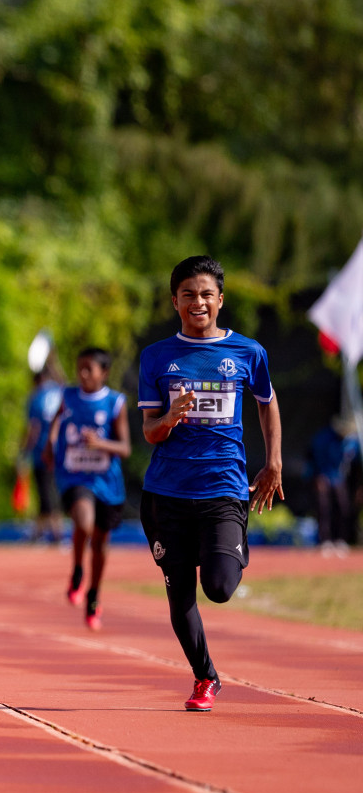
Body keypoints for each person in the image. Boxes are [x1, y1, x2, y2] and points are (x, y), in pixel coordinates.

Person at [138, 256, 283, 712]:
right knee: (179, 592)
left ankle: (225, 545)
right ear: (175, 301)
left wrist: (273, 462)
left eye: (205, 294)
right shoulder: (157, 357)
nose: (197, 302)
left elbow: (266, 403)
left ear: (220, 300)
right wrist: (170, 418)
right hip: (165, 494)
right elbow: (149, 430)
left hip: (222, 490)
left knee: (219, 587)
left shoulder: (247, 353)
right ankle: (205, 678)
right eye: (187, 295)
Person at [47, 348, 130, 630]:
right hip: (75, 477)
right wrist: (51, 442)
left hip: (107, 483)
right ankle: (78, 569)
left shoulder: (115, 403)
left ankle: (94, 595)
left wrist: (100, 444)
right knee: (84, 520)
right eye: (79, 368)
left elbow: (126, 447)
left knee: (100, 543)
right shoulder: (67, 396)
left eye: (89, 369)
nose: (82, 374)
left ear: (103, 373)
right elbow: (56, 423)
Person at [20, 370, 65, 542]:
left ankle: (56, 532)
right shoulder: (60, 392)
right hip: (61, 450)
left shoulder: (36, 398)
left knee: (45, 491)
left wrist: (24, 450)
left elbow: (34, 428)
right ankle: (38, 532)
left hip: (42, 451)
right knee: (51, 489)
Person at [305, 413, 360, 550]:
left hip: (338, 477)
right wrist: (316, 477)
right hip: (322, 476)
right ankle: (325, 540)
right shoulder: (323, 438)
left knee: (344, 507)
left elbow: (356, 462)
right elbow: (311, 458)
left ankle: (341, 539)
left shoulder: (352, 441)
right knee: (323, 508)